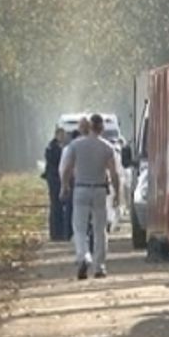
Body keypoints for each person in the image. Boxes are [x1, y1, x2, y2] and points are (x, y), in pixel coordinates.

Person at [60, 114, 121, 279]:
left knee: (79, 227)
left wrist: (64, 186)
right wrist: (117, 194)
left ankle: (83, 256)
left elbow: (67, 169)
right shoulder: (107, 147)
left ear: (88, 126)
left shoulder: (75, 145)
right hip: (100, 190)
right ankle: (99, 266)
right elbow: (114, 173)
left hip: (81, 189)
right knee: (100, 229)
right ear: (101, 128)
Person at [62, 117, 91, 240]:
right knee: (96, 222)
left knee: (79, 220)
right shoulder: (101, 144)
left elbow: (65, 167)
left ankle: (82, 252)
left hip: (79, 185)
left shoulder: (72, 147)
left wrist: (64, 185)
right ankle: (96, 249)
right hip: (96, 185)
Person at [42, 127, 66, 241]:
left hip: (56, 178)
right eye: (61, 135)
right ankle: (56, 233)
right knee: (56, 205)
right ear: (57, 135)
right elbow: (56, 161)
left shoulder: (55, 146)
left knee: (58, 206)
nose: (63, 137)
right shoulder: (53, 148)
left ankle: (59, 231)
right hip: (55, 179)